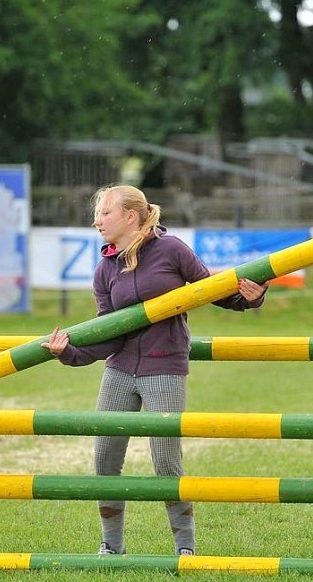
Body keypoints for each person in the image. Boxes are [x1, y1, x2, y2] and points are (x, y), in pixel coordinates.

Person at [42, 184, 268, 557]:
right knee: (105, 460)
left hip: (165, 367)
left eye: (105, 213)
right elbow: (107, 334)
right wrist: (70, 353)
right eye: (97, 214)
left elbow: (209, 289)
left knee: (166, 462)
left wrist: (250, 297)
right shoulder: (104, 270)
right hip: (118, 371)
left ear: (130, 216)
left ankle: (185, 549)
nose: (96, 221)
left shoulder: (172, 249)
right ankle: (111, 547)